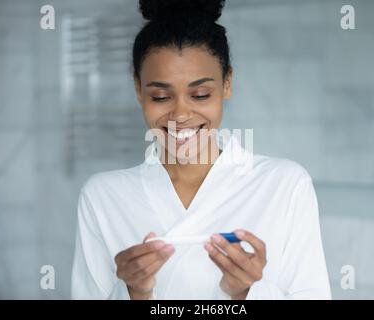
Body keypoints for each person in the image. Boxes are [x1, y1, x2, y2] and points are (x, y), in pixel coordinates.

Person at [71, 0, 331, 300]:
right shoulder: (103, 196)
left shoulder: (284, 185)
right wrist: (134, 292)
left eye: (200, 94)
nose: (181, 114)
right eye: (160, 96)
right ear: (138, 90)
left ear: (227, 83)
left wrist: (245, 293)